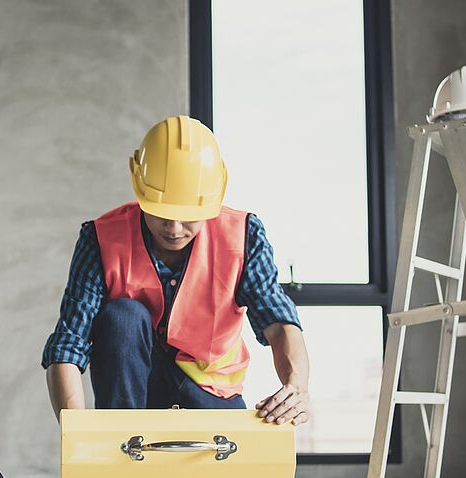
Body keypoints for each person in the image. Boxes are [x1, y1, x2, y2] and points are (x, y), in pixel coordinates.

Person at [42, 115, 309, 425]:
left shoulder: (243, 235)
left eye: (188, 217)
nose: (174, 229)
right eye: (161, 214)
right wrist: (78, 434)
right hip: (133, 394)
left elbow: (277, 321)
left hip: (211, 391)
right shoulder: (101, 238)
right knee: (123, 316)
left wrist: (297, 387)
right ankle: (124, 444)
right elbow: (68, 343)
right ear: (140, 189)